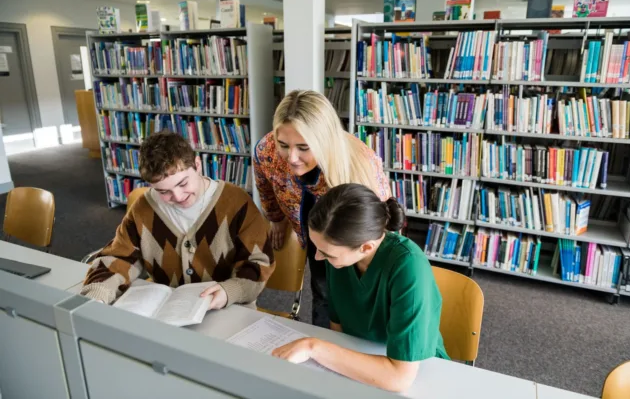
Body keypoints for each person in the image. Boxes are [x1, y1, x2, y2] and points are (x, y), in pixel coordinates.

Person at [272, 184, 449, 392]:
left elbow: (399, 378)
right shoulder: (340, 259)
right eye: (317, 248)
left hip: (419, 371)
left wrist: (314, 347)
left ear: (366, 247)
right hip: (359, 357)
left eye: (327, 253)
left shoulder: (409, 266)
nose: (318, 258)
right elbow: (338, 330)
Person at [81, 131, 274, 309]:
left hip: (230, 309)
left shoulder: (237, 202)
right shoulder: (143, 209)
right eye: (163, 191)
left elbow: (259, 262)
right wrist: (97, 295)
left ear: (197, 166)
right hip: (170, 312)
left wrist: (230, 291)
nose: (178, 196)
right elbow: (118, 257)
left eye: (183, 183)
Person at [253, 90, 390, 328]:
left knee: (362, 299)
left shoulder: (360, 163)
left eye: (304, 148)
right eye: (284, 145)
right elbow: (265, 186)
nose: (292, 157)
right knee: (323, 293)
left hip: (356, 240)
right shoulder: (267, 151)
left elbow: (379, 223)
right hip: (314, 232)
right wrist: (276, 219)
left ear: (323, 141)